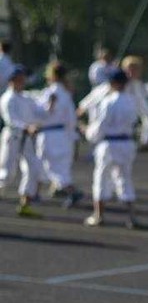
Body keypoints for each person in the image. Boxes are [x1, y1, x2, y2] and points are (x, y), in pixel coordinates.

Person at [83, 69, 139, 228]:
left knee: (101, 178)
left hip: (109, 144)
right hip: (127, 142)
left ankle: (98, 215)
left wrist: (88, 132)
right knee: (125, 177)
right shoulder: (131, 101)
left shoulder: (108, 102)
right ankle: (131, 216)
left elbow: (100, 126)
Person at [34, 62, 83, 208]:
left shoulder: (50, 93)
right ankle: (36, 193)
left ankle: (71, 190)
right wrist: (73, 139)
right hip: (63, 134)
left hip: (49, 134)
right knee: (48, 165)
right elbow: (71, 120)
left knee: (49, 166)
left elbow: (41, 114)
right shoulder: (66, 95)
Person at [0, 65, 42, 217]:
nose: (22, 81)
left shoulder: (26, 97)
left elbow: (39, 112)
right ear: (12, 80)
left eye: (23, 78)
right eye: (19, 79)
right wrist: (27, 127)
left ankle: (25, 203)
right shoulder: (7, 98)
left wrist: (51, 106)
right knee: (6, 173)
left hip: (27, 138)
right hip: (13, 137)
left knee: (33, 167)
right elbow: (11, 121)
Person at [121, 56, 148, 151]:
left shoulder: (137, 82)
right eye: (130, 68)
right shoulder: (121, 81)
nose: (132, 71)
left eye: (135, 69)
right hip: (124, 105)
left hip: (138, 103)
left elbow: (143, 92)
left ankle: (146, 142)